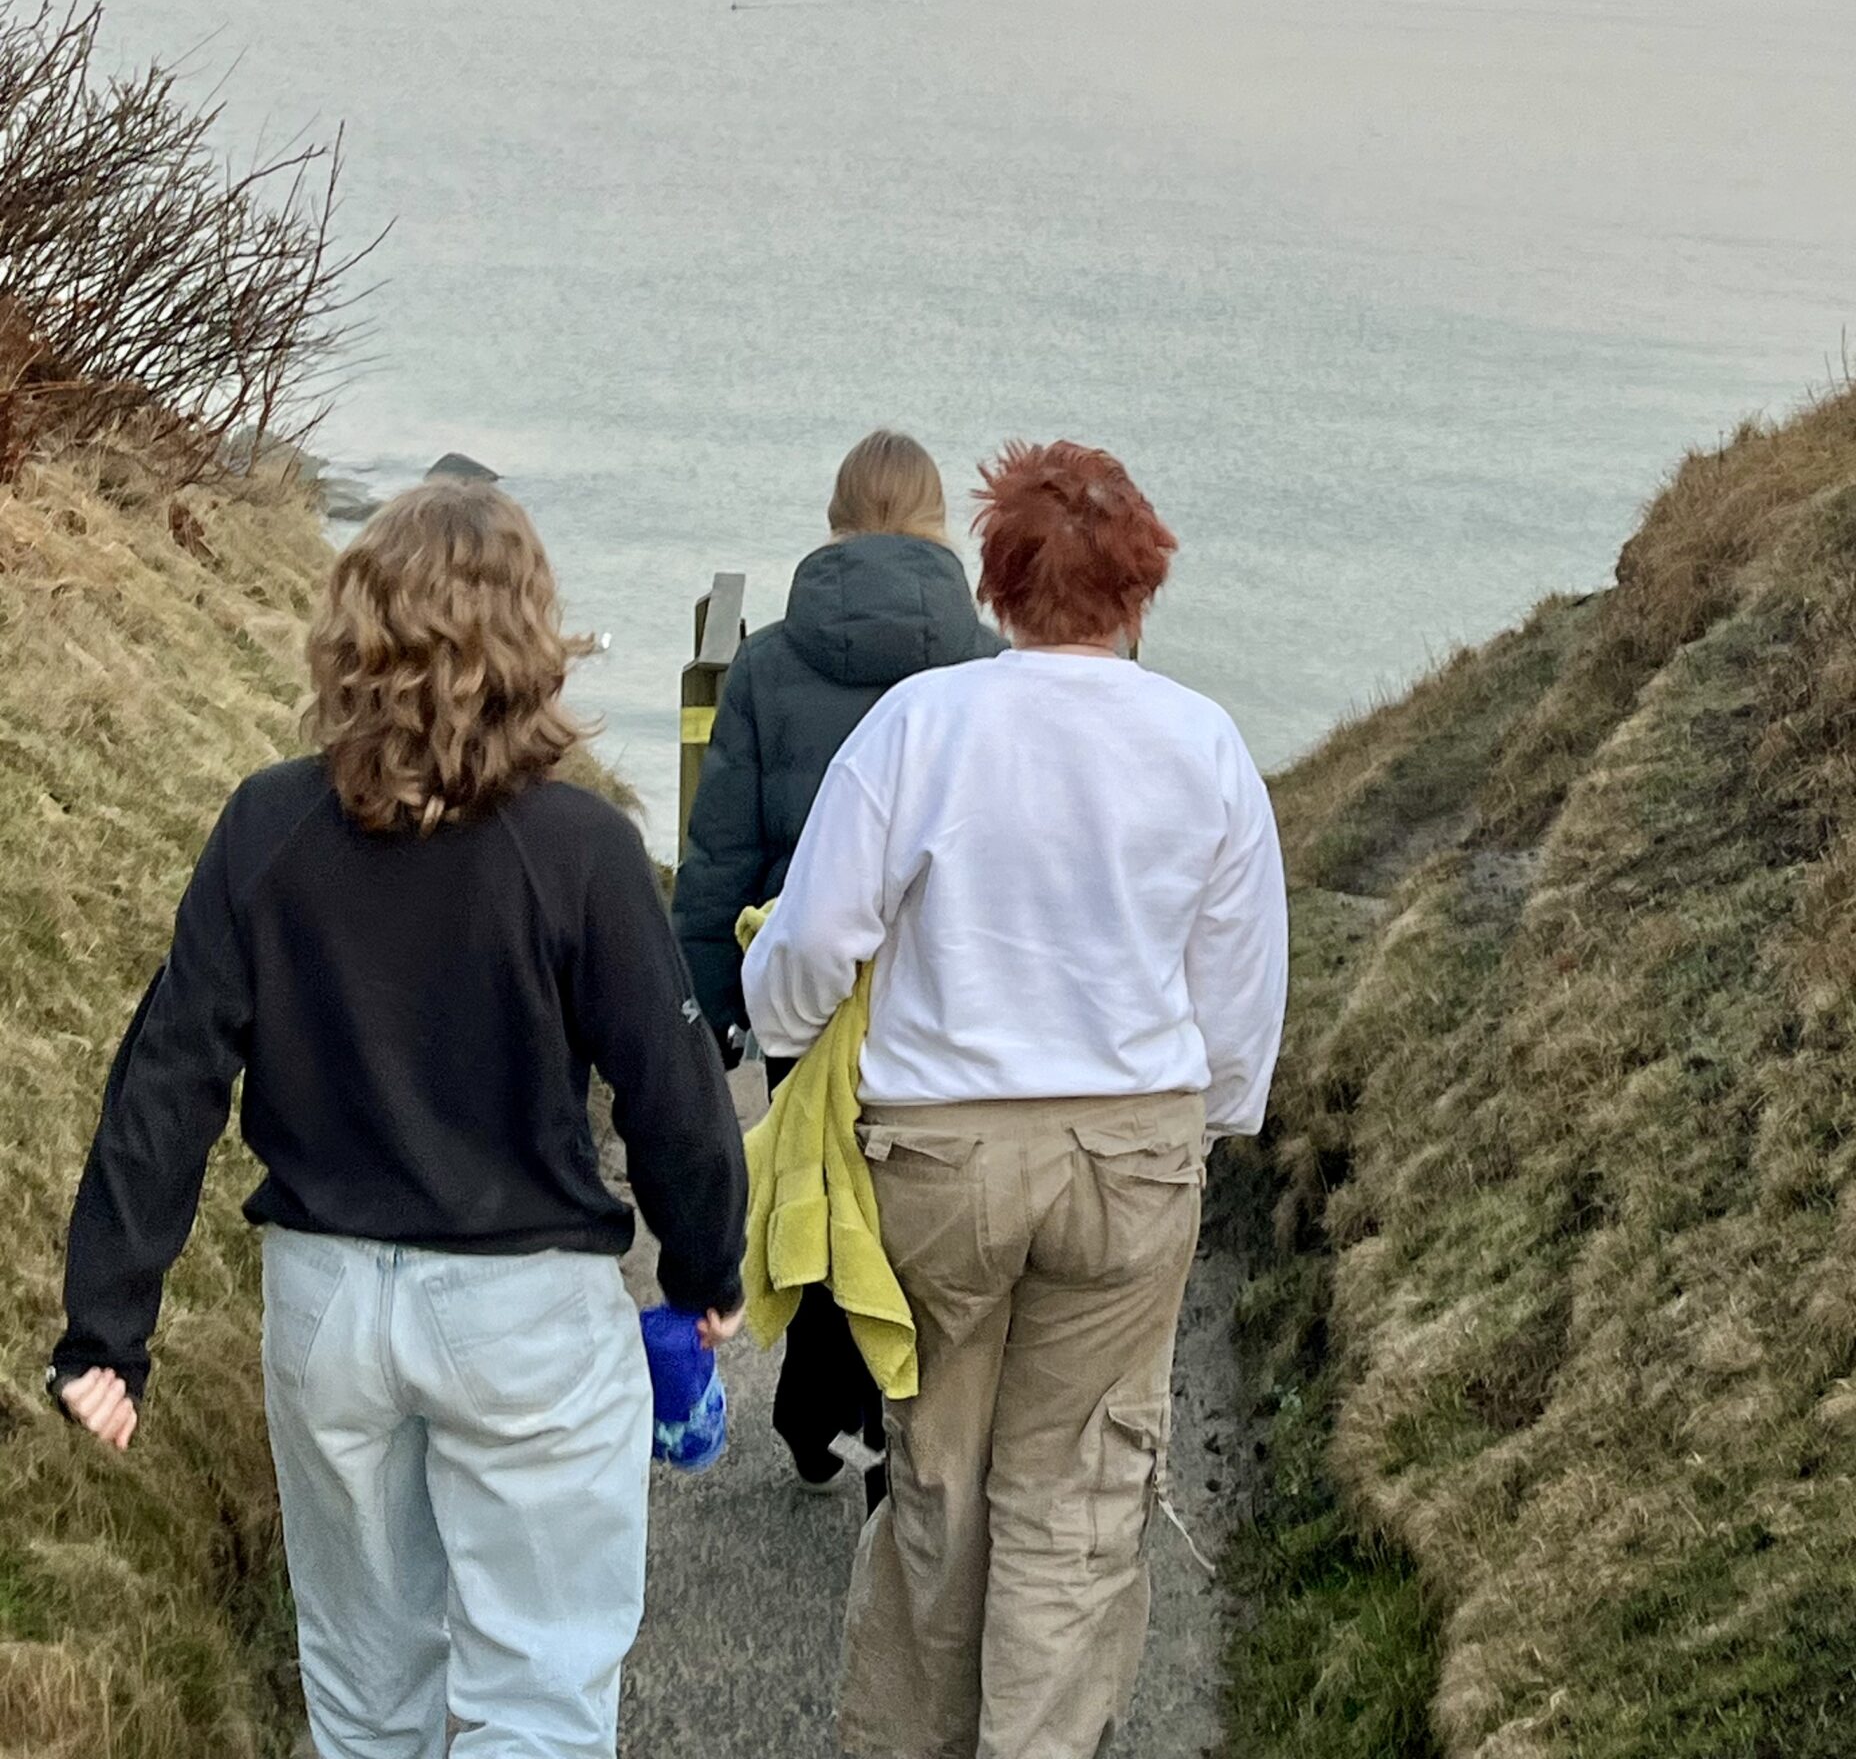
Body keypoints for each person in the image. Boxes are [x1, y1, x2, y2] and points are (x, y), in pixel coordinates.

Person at [49, 480, 747, 1759]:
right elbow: (676, 1097)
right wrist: (705, 1268)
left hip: (324, 1311)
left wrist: (107, 1326)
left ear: (349, 637)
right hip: (521, 1315)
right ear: (532, 640)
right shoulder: (583, 850)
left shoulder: (267, 826)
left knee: (367, 1705)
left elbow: (168, 1078)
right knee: (533, 1699)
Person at [743, 440, 1289, 1759]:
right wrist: (1204, 1115)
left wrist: (781, 1032)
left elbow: (809, 949)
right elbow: (1239, 1003)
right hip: (1129, 1155)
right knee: (1079, 1491)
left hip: (937, 1157)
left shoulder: (922, 724)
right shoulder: (1203, 745)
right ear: (1140, 594)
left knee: (935, 1475)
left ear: (994, 588)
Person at [674, 427, 1001, 1500]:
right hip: (942, 989)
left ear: (835, 523)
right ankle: (888, 1427)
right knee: (918, 1214)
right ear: (938, 525)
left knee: (815, 1192)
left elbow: (719, 849)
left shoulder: (766, 662)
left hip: (801, 984)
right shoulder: (994, 667)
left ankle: (817, 1413)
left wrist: (709, 1007)